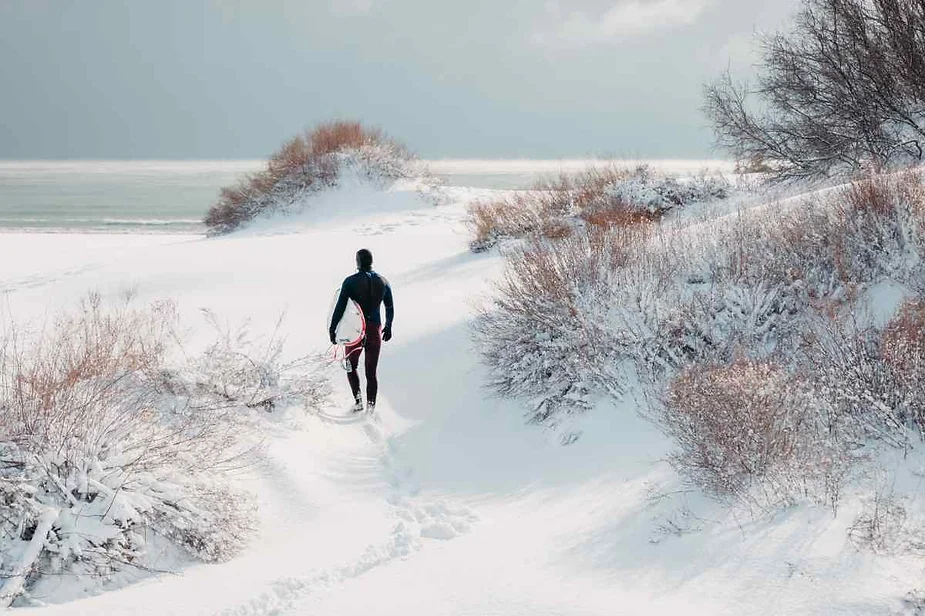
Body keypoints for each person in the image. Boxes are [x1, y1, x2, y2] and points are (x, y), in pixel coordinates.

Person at [329, 248, 394, 413]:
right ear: (371, 261)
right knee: (371, 372)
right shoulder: (384, 281)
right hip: (375, 330)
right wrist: (388, 326)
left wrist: (333, 328)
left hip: (355, 331)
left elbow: (340, 307)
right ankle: (371, 409)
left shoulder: (350, 282)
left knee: (351, 366)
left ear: (357, 262)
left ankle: (358, 403)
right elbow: (389, 306)